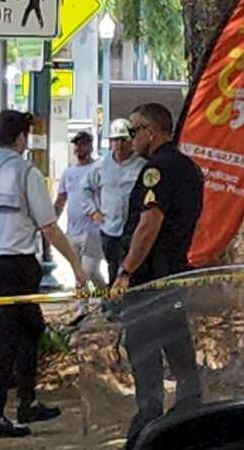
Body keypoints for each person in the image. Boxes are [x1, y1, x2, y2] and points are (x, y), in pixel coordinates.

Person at [0, 110, 88, 439]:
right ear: (20, 139)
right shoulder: (24, 171)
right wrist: (75, 266)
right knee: (10, 337)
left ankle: (27, 401)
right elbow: (49, 227)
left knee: (32, 327)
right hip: (15, 263)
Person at [111, 104, 203, 450]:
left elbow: (149, 224)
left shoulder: (157, 169)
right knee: (180, 353)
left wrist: (125, 273)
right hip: (175, 276)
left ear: (152, 131)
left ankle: (147, 430)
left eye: (134, 131)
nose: (130, 138)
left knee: (145, 357)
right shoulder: (189, 168)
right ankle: (191, 421)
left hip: (151, 281)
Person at [80, 119, 147, 285]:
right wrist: (93, 211)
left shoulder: (142, 166)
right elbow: (84, 189)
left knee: (130, 270)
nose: (119, 145)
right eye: (115, 140)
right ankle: (114, 306)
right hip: (109, 229)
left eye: (123, 140)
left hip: (132, 229)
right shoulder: (101, 166)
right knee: (112, 269)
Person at [55, 131, 106, 288]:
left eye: (83, 144)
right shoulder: (68, 173)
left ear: (90, 147)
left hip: (93, 230)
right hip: (72, 230)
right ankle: (84, 307)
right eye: (77, 144)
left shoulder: (99, 169)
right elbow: (60, 201)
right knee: (80, 274)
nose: (79, 148)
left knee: (89, 270)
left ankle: (105, 298)